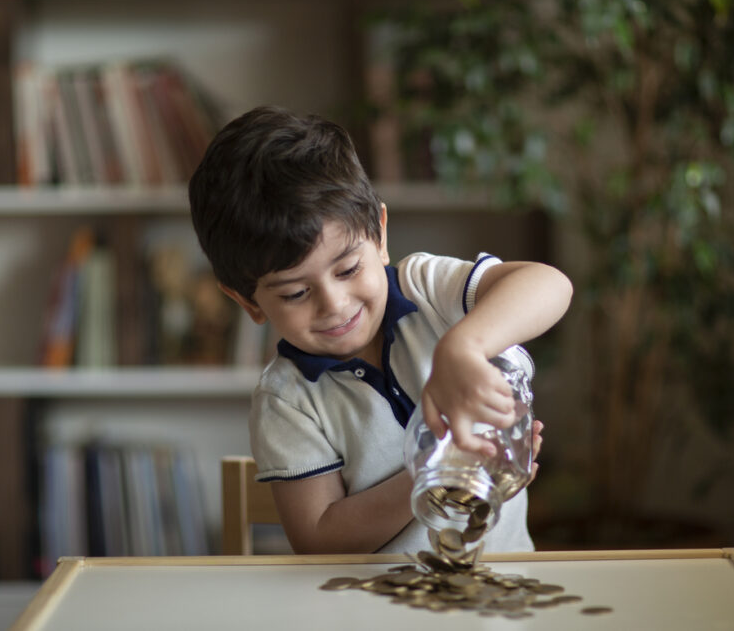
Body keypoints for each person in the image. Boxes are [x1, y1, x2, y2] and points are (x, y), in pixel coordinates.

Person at [189, 106, 572, 554]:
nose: (334, 304)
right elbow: (318, 538)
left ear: (381, 235)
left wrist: (464, 346)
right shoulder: (286, 401)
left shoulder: (428, 288)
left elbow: (551, 285)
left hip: (504, 598)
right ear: (248, 302)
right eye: (295, 293)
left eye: (348, 268)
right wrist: (436, 470)